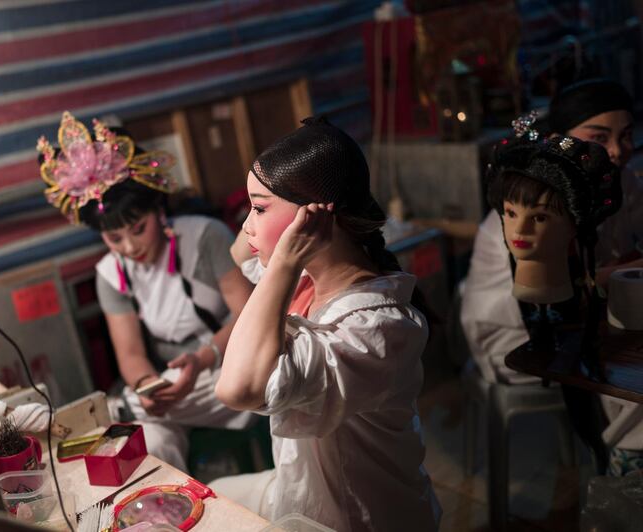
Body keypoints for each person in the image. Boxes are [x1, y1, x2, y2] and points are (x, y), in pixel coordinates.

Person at [211, 117, 441, 531]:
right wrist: (273, 182)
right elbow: (239, 255)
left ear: (314, 218)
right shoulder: (301, 278)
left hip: (357, 518)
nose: (246, 225)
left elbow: (237, 389)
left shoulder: (375, 328)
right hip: (301, 490)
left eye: (259, 209)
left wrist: (282, 258)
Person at [37, 112, 254, 471]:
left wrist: (202, 360)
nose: (129, 246)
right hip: (174, 385)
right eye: (113, 238)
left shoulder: (204, 236)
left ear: (158, 208)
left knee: (245, 382)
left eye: (138, 229)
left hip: (227, 361)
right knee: (144, 434)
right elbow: (131, 353)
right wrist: (146, 385)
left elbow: (250, 315)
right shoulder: (109, 273)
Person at [461, 79, 641, 385]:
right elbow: (552, 293)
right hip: (521, 334)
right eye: (599, 136)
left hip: (586, 319)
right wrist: (626, 269)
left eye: (625, 136)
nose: (616, 150)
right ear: (559, 140)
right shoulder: (533, 210)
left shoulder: (622, 184)